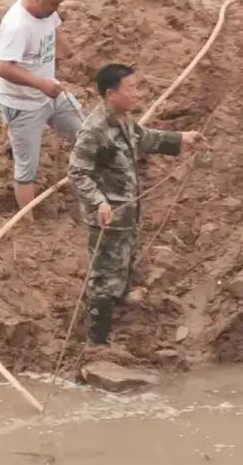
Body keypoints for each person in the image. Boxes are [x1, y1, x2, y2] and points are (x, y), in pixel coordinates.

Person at [68, 64, 203, 344]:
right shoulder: (94, 130)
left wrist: (181, 139)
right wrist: (99, 203)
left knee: (123, 264)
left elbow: (144, 138)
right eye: (130, 89)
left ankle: (118, 315)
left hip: (127, 212)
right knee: (103, 276)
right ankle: (97, 343)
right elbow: (77, 172)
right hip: (107, 216)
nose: (136, 94)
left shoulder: (124, 121)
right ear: (111, 94)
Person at [0, 0, 80, 209]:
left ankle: (82, 184)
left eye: (59, 4)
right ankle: (27, 224)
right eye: (54, 4)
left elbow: (55, 28)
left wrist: (67, 52)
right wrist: (41, 84)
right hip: (22, 104)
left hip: (50, 94)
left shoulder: (47, 11)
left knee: (83, 133)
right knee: (27, 166)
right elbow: (3, 68)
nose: (56, 9)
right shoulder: (17, 25)